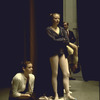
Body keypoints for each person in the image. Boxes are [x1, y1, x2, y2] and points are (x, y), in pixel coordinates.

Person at [46, 13, 76, 100]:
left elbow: (67, 41)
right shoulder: (48, 29)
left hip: (62, 52)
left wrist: (61, 40)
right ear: (52, 19)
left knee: (66, 73)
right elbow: (52, 41)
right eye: (55, 18)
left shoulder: (62, 29)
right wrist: (62, 40)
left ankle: (67, 94)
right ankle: (56, 94)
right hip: (53, 52)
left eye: (58, 18)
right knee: (55, 73)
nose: (57, 20)